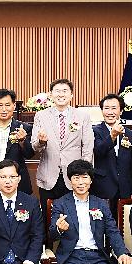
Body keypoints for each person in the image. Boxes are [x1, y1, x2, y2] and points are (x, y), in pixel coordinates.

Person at [31, 79, 94, 232]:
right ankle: (48, 243)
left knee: (73, 216)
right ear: (51, 95)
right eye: (57, 91)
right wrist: (41, 141)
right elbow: (34, 146)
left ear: (71, 95)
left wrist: (83, 174)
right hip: (49, 175)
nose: (61, 94)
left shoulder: (82, 116)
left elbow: (87, 146)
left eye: (65, 91)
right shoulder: (41, 116)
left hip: (73, 176)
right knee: (47, 216)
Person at [91, 93, 132, 212]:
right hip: (102, 187)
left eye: (114, 108)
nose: (110, 112)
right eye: (106, 108)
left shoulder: (129, 134)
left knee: (123, 221)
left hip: (125, 189)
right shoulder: (94, 131)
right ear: (102, 111)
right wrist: (112, 136)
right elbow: (98, 152)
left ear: (121, 111)